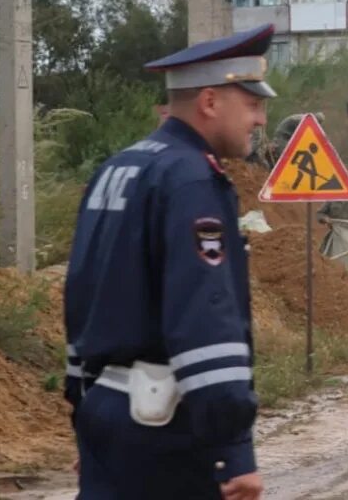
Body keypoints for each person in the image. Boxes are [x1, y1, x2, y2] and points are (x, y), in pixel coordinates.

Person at [63, 25, 275, 500]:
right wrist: (233, 451)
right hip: (165, 434)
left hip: (108, 416)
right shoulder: (192, 179)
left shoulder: (117, 168)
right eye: (252, 104)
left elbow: (80, 297)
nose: (260, 119)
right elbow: (205, 316)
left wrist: (84, 415)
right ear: (210, 101)